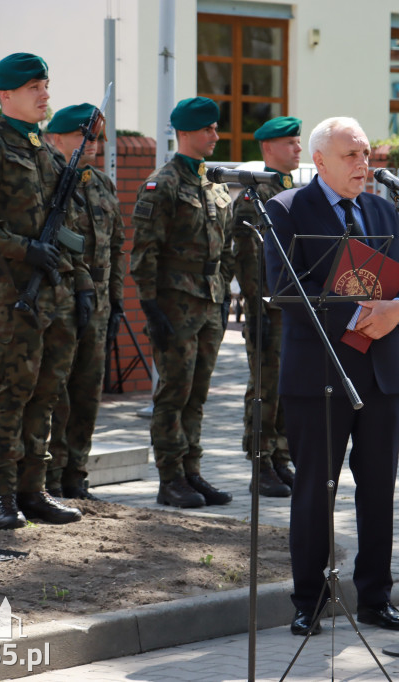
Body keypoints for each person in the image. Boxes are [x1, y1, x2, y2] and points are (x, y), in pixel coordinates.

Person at [264, 117, 399, 635]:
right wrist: (360, 313)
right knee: (315, 490)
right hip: (319, 375)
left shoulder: (383, 209)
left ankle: (376, 596)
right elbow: (286, 288)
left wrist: (397, 310)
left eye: (367, 153)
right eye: (351, 155)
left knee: (378, 490)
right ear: (321, 160)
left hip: (381, 374)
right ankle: (309, 599)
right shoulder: (286, 210)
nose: (363, 164)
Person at [0, 53, 86, 529]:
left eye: (45, 84)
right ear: (5, 96)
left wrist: (80, 286)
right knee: (11, 396)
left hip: (53, 293)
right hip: (13, 295)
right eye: (33, 87)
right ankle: (1, 497)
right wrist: (22, 248)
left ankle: (33, 491)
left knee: (46, 396)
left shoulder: (43, 149)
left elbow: (67, 223)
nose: (44, 93)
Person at [130, 96, 234, 509]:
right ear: (185, 133)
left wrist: (223, 290)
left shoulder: (214, 182)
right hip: (175, 305)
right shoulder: (164, 183)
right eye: (207, 129)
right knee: (174, 392)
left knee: (198, 393)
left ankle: (192, 471)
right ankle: (169, 478)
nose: (215, 135)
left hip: (209, 302)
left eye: (215, 127)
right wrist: (151, 307)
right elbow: (144, 252)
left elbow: (225, 247)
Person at [44, 103, 126, 500]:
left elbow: (117, 247)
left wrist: (116, 302)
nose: (92, 143)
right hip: (61, 303)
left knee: (88, 392)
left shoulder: (102, 184)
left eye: (95, 137)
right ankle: (50, 474)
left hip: (99, 306)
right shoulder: (51, 182)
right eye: (83, 136)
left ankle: (76, 474)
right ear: (55, 139)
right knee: (55, 391)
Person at [230, 116, 302, 497]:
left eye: (298, 141)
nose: (298, 148)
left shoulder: (295, 191)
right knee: (265, 385)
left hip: (292, 309)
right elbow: (247, 259)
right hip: (267, 309)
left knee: (288, 384)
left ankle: (281, 457)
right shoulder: (252, 196)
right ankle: (261, 462)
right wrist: (259, 306)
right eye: (290, 142)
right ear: (268, 148)